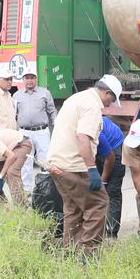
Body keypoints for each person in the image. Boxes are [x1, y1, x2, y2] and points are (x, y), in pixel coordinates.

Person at [46, 75, 121, 256]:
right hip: (73, 166)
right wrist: (92, 169)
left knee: (73, 208)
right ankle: (88, 253)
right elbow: (82, 137)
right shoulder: (92, 105)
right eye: (111, 99)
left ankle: (69, 251)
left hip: (56, 164)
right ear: (106, 92)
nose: (110, 104)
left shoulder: (76, 98)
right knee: (98, 203)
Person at [14, 66, 58, 193]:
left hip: (42, 132)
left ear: (36, 79)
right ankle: (26, 190)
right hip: (24, 132)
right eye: (27, 78)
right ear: (23, 79)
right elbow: (14, 114)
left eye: (32, 78)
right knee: (26, 160)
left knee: (44, 160)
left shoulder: (45, 93)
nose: (30, 81)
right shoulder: (17, 95)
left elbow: (52, 110)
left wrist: (56, 122)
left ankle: (45, 189)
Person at [94, 116, 126, 238]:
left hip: (114, 150)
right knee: (94, 191)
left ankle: (111, 233)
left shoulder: (97, 131)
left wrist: (103, 180)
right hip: (99, 151)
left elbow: (110, 158)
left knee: (112, 192)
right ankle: (97, 230)